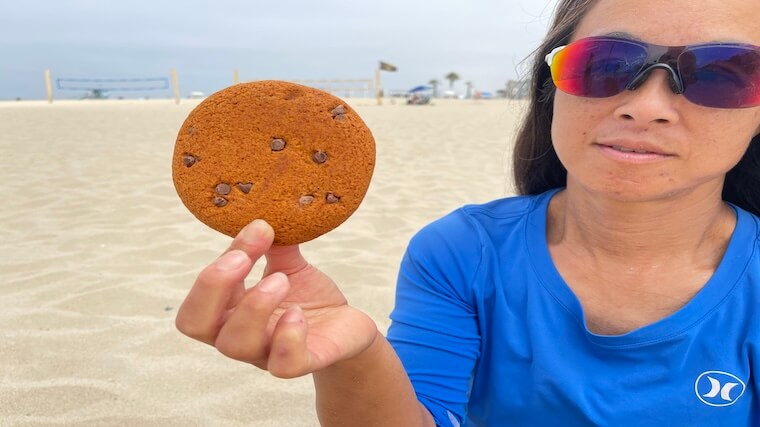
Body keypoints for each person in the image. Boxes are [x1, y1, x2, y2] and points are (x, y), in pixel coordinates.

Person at [175, 0, 760, 425]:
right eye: (604, 64)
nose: (646, 106)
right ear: (552, 85)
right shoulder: (462, 253)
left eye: (723, 75)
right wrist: (355, 356)